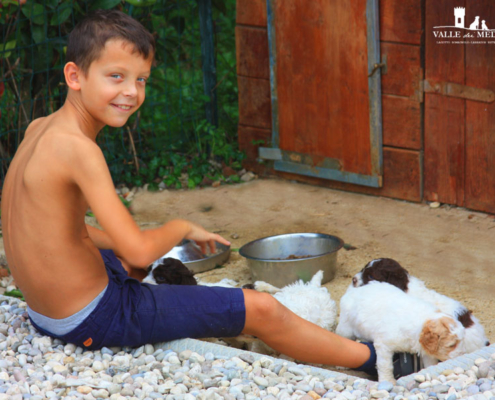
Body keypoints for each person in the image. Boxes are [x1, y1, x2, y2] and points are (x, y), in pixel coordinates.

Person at [1, 9, 382, 376]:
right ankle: (375, 358)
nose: (131, 92)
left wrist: (120, 251)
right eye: (116, 76)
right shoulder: (80, 151)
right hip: (93, 318)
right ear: (75, 75)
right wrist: (181, 227)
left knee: (129, 262)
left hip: (45, 312)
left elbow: (66, 229)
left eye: (141, 79)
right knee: (261, 308)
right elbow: (137, 249)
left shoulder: (40, 129)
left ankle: (171, 305)